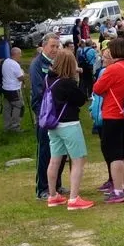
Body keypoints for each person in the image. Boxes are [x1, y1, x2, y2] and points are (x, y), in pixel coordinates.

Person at [44, 51, 93, 210]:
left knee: (55, 159)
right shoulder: (67, 83)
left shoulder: (48, 79)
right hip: (69, 123)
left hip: (53, 124)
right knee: (78, 160)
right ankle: (73, 198)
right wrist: (76, 80)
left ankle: (52, 195)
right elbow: (80, 100)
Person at [92, 38, 124, 204]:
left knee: (114, 153)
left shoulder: (113, 69)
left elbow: (97, 88)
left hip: (113, 114)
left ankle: (117, 190)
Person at [31, 34, 67, 199]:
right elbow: (40, 90)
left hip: (59, 111)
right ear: (44, 46)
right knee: (45, 150)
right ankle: (43, 188)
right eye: (52, 46)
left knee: (60, 150)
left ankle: (56, 184)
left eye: (57, 46)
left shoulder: (57, 61)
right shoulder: (38, 64)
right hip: (45, 112)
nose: (55, 49)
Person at [2, 47, 26, 133]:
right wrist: (23, 73)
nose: (21, 55)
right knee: (19, 106)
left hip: (5, 88)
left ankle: (7, 126)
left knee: (7, 108)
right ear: (16, 54)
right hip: (14, 89)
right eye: (20, 54)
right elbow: (20, 78)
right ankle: (15, 127)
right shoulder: (15, 64)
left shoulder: (5, 61)